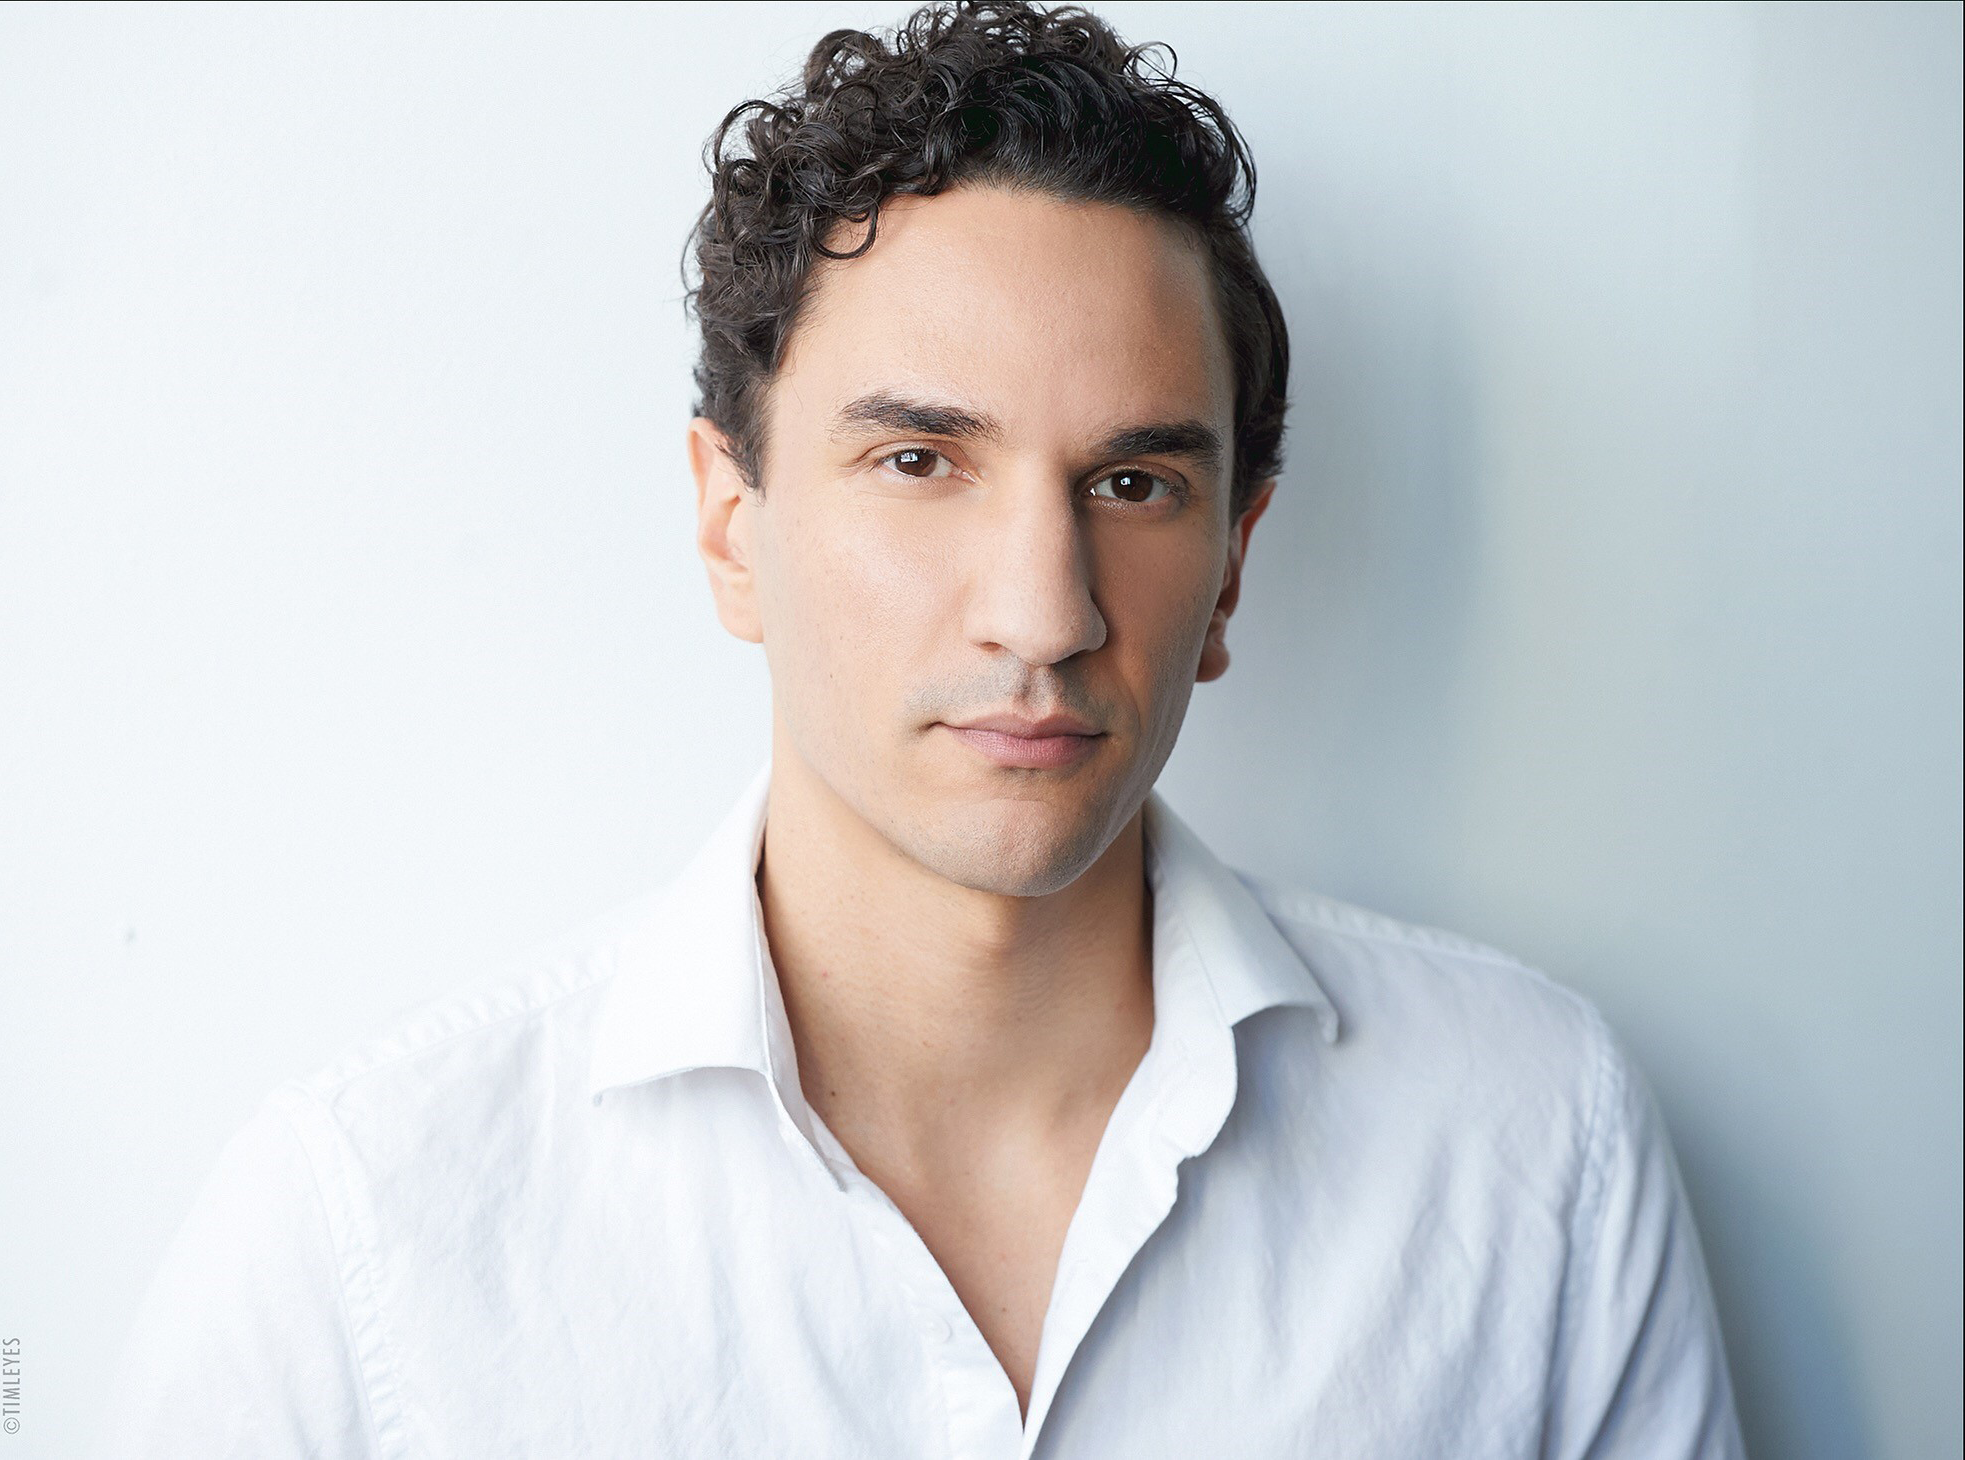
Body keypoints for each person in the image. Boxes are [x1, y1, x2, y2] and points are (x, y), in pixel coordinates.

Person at [94, 3, 1746, 1455]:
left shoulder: (1530, 1144)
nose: (1044, 612)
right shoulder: (367, 1237)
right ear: (731, 526)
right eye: (918, 462)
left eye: (1133, 483)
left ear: (1234, 565)